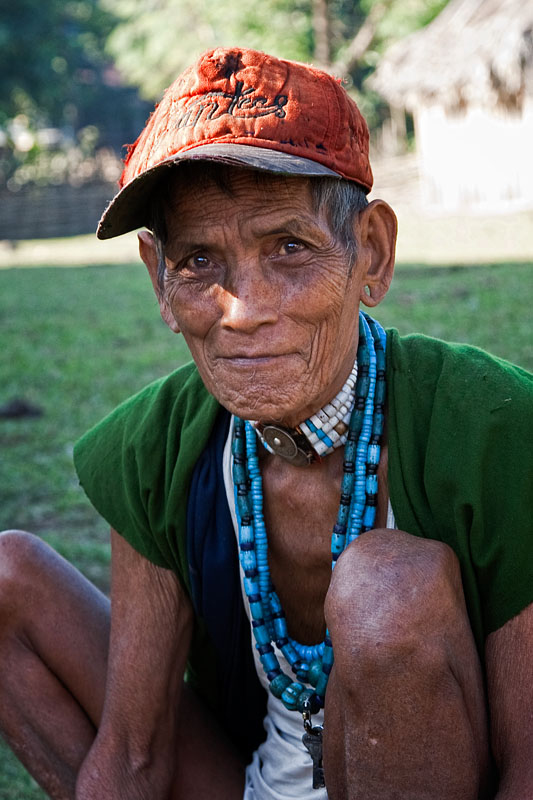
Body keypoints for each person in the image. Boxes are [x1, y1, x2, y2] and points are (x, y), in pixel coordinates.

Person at [0, 46, 532, 800]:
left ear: (370, 255)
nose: (241, 309)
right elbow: (131, 753)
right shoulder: (156, 448)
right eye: (198, 262)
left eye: (289, 247)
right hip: (246, 781)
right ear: (158, 277)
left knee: (386, 591)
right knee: (5, 576)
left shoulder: (496, 427)